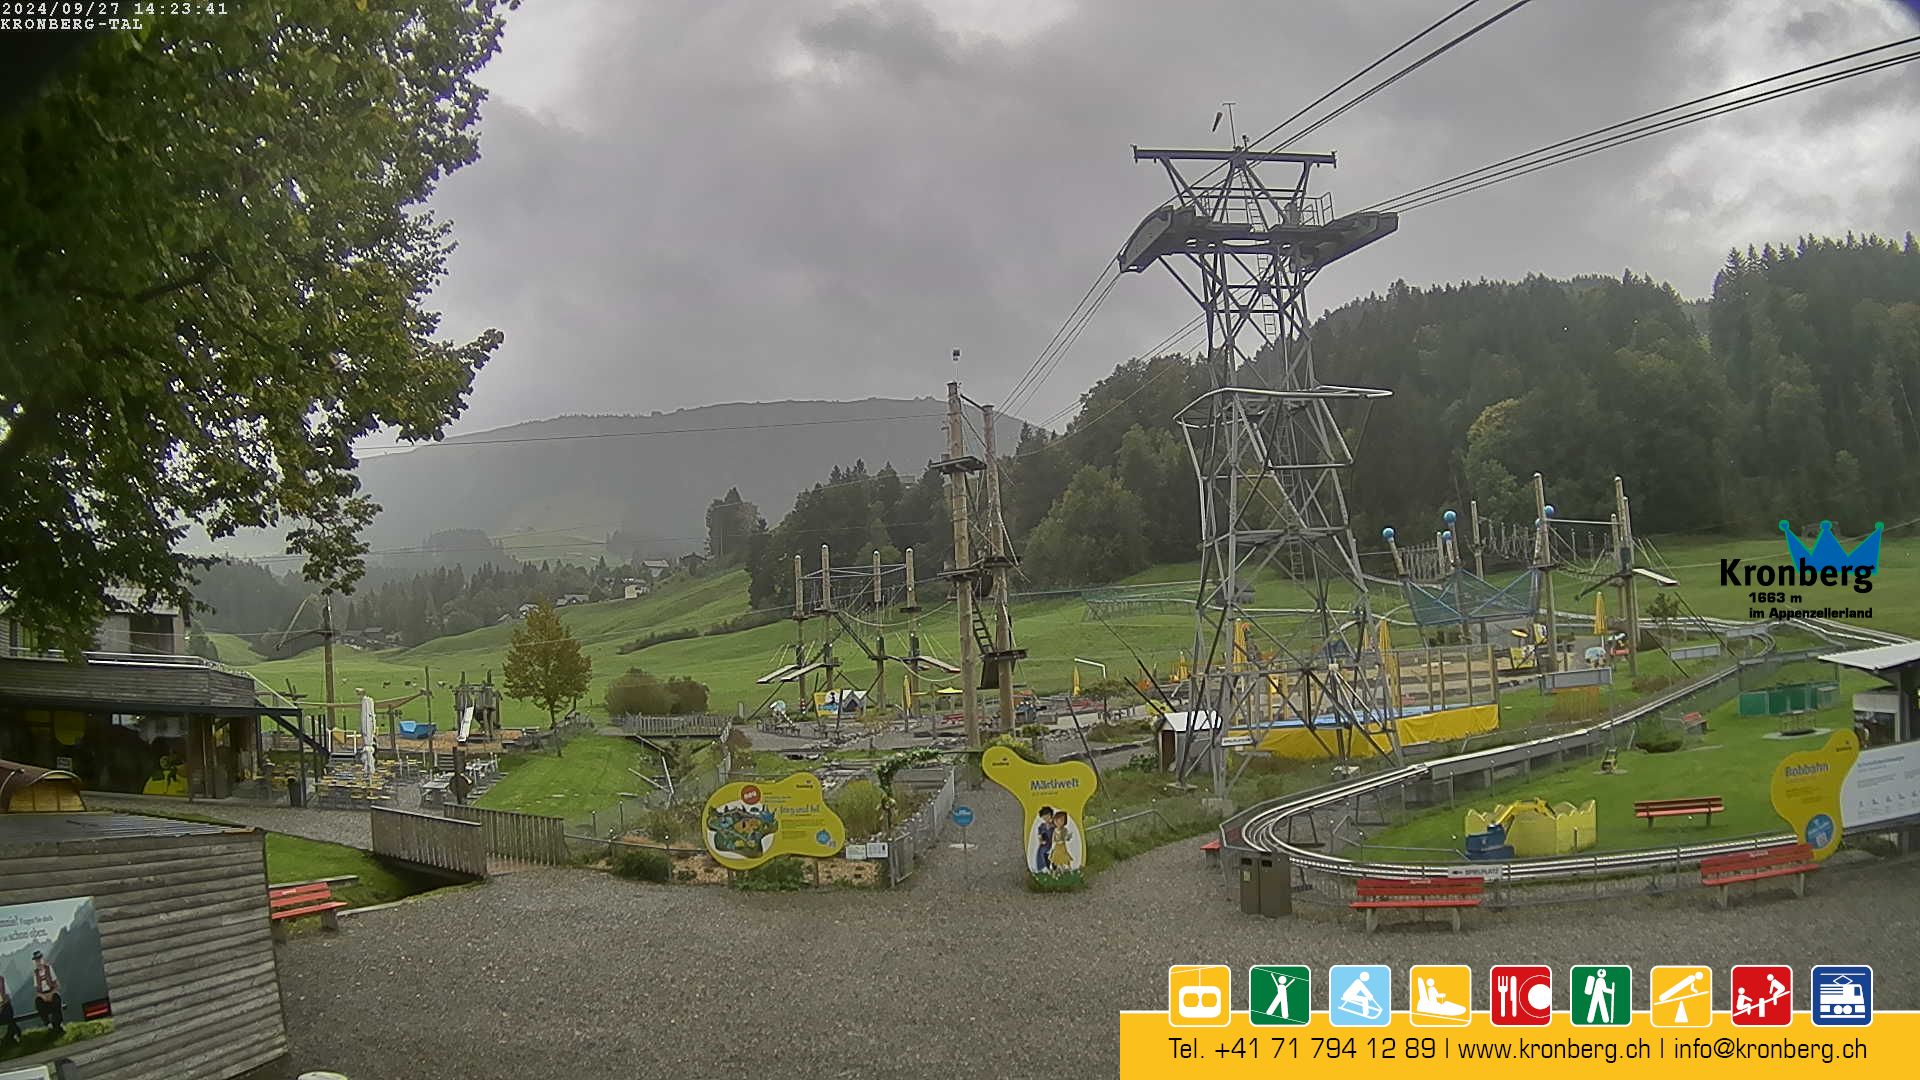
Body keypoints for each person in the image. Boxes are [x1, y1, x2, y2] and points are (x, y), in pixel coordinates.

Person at [32, 951, 62, 1036]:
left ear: (42, 959)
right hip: (43, 995)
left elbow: (57, 984)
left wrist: (52, 993)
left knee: (57, 1000)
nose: (38, 962)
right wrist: (42, 996)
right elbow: (37, 990)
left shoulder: (49, 968)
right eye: (36, 961)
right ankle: (48, 1023)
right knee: (38, 1002)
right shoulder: (35, 973)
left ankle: (58, 1023)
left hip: (52, 992)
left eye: (39, 960)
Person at [1, 973, 21, 1045]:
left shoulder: (1, 980)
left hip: (5, 1005)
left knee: (7, 1012)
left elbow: (8, 995)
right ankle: (16, 1032)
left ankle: (13, 1035)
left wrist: (2, 1005)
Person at [1033, 806, 1055, 873]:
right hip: (1045, 843)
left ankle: (1054, 868)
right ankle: (1043, 868)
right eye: (1044, 817)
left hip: (1053, 843)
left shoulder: (1054, 825)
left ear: (1051, 815)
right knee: (1042, 851)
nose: (1046, 818)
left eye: (1048, 815)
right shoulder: (1042, 826)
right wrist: (1041, 841)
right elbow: (1040, 836)